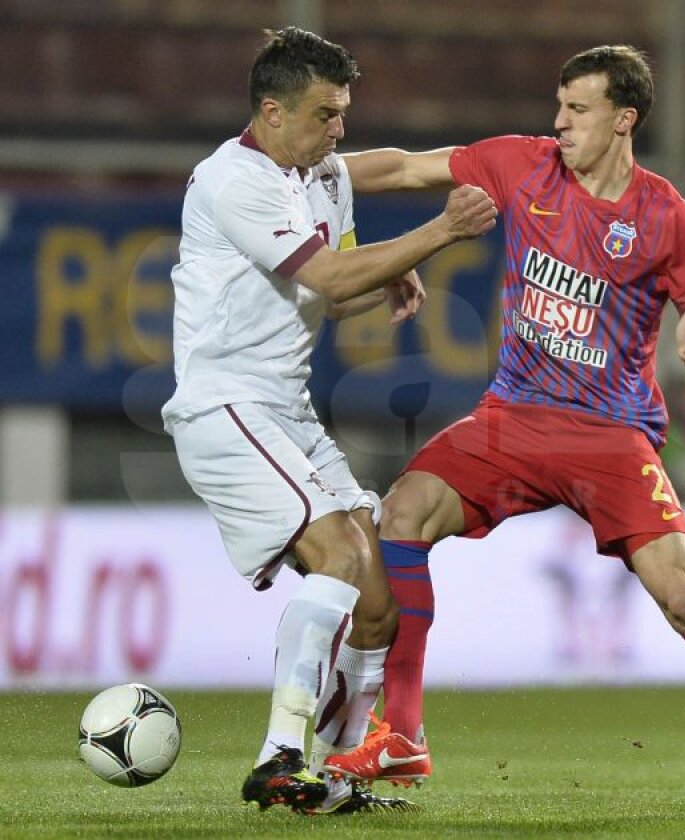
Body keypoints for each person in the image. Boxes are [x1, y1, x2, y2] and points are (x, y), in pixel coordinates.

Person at [320, 44, 685, 813]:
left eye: (578, 109)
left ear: (623, 119)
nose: (559, 122)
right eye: (559, 106)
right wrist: (304, 174)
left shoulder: (668, 218)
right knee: (402, 513)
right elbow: (404, 168)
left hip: (610, 433)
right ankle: (402, 731)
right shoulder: (519, 164)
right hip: (511, 416)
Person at [162, 27, 497, 814]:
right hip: (225, 404)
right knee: (343, 555)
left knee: (377, 598)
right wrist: (441, 233)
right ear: (272, 113)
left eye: (344, 112)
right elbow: (325, 271)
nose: (338, 129)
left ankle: (337, 774)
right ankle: (282, 755)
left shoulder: (316, 171)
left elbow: (395, 178)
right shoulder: (235, 179)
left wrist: (506, 164)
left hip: (283, 407)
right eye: (324, 113)